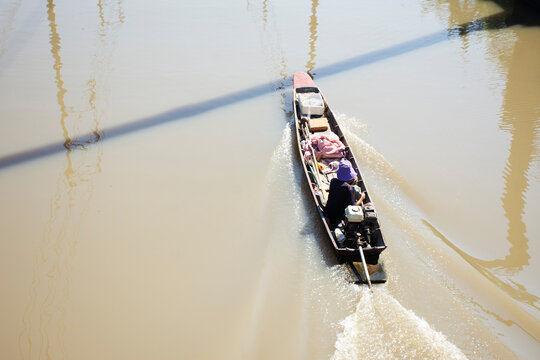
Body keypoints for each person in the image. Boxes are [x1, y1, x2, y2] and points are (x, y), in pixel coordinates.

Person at [323, 158, 365, 229]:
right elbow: (352, 206)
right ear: (350, 177)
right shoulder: (348, 188)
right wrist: (362, 198)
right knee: (369, 205)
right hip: (339, 216)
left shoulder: (333, 181)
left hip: (327, 212)